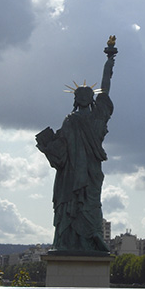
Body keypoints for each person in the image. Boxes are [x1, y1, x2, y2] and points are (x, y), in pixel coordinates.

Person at [36, 52, 115, 253]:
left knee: (73, 206)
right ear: (90, 100)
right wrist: (109, 62)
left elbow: (59, 155)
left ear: (77, 100)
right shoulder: (97, 116)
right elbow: (105, 89)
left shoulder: (70, 121)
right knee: (90, 205)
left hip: (73, 176)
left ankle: (76, 239)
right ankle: (90, 237)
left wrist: (47, 145)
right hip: (87, 173)